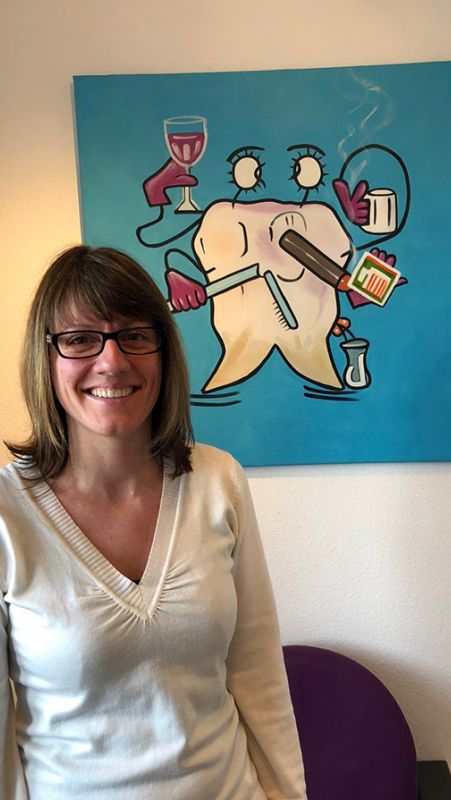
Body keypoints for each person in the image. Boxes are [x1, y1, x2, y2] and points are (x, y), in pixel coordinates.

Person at [0, 246, 307, 800]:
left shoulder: (219, 480)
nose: (112, 361)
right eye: (80, 339)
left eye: (135, 335)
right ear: (44, 357)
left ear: (164, 351)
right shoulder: (7, 513)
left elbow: (258, 675)